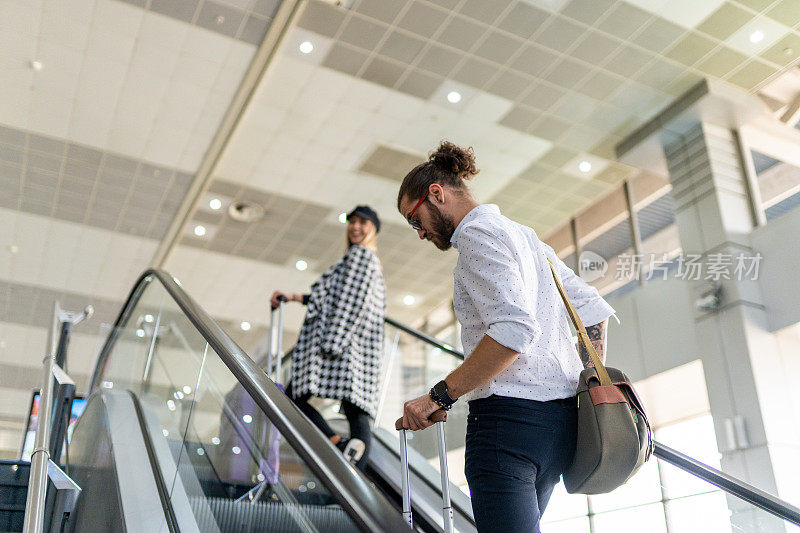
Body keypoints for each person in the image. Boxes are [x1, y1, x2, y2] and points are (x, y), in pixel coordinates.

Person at [396, 142, 615, 532]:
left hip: (508, 428)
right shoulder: (527, 238)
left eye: (415, 220)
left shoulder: (477, 236)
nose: (419, 233)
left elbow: (514, 332)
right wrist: (591, 377)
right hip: (560, 427)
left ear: (436, 194)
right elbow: (592, 308)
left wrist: (438, 396)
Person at [271, 205, 386, 470]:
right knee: (352, 405)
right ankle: (347, 454)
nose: (355, 227)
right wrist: (294, 297)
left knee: (296, 398)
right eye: (352, 221)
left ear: (373, 230)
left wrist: (331, 343)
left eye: (362, 223)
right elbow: (332, 297)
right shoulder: (359, 258)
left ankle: (345, 453)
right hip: (351, 344)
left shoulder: (361, 256)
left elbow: (351, 303)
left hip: (342, 344)